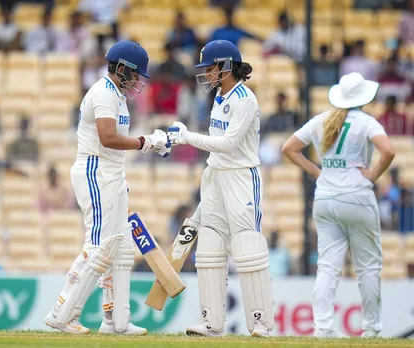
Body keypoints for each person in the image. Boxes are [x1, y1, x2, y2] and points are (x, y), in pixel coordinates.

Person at [44, 40, 170, 335]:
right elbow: (108, 138)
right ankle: (61, 315)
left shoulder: (118, 95)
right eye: (136, 74)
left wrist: (154, 142)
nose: (138, 81)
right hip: (95, 171)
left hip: (112, 173)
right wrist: (146, 142)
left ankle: (115, 321)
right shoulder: (102, 92)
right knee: (99, 246)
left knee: (119, 248)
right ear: (123, 68)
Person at [167, 40, 274, 337]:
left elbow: (229, 144)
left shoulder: (245, 99)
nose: (206, 74)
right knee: (210, 247)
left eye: (210, 68)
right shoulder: (219, 96)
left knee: (247, 247)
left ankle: (261, 322)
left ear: (226, 67)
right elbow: (217, 148)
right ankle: (211, 322)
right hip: (215, 174)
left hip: (240, 175)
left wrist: (188, 137)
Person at [282, 72, 395, 338]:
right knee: (367, 266)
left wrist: (317, 172)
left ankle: (322, 327)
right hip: (357, 197)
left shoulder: (321, 120)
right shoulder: (367, 122)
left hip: (325, 198)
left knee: (327, 266)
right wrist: (374, 175)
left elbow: (289, 148)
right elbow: (388, 151)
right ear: (363, 98)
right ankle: (371, 329)